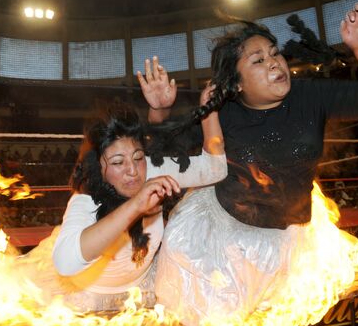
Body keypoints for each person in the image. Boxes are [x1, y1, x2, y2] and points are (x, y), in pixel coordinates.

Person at [139, 2, 358, 326]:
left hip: (292, 239)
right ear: (236, 84)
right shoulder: (222, 111)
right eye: (258, 60)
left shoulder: (308, 96)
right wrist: (160, 112)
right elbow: (159, 153)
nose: (275, 63)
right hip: (219, 244)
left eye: (275, 53)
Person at [45, 102, 225, 311]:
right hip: (87, 299)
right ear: (98, 167)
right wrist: (136, 205)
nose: (133, 171)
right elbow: (65, 263)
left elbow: (215, 169)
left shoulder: (150, 170)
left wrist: (209, 106)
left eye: (138, 157)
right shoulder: (85, 198)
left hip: (144, 290)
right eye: (117, 163)